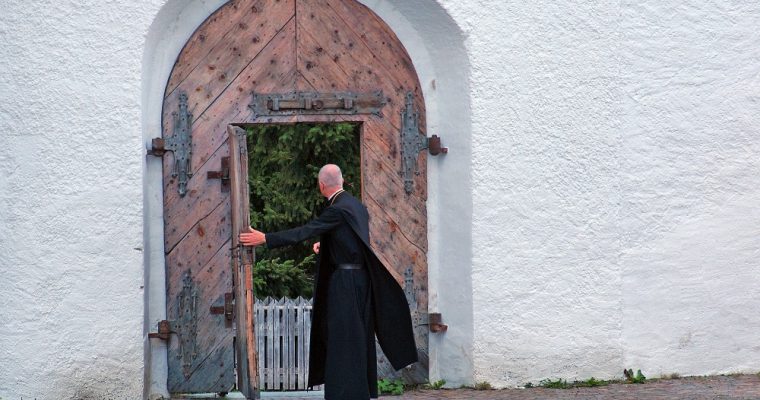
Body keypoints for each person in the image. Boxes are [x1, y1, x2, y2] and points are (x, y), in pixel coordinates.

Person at [239, 164, 417, 400]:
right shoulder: (355, 205)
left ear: (321, 185)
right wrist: (329, 246)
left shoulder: (336, 210)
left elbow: (305, 230)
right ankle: (358, 391)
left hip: (345, 285)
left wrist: (266, 238)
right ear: (342, 180)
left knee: (343, 337)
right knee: (355, 335)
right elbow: (354, 239)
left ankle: (345, 393)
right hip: (360, 281)